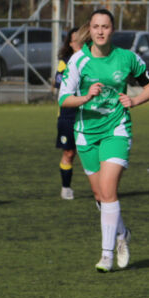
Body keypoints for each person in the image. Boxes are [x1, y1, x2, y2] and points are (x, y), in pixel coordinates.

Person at [58, 8, 149, 272]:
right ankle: (122, 234)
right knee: (100, 195)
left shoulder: (127, 58)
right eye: (96, 27)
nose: (100, 31)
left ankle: (106, 254)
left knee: (109, 190)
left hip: (117, 129)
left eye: (105, 26)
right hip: (86, 132)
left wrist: (134, 100)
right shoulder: (78, 60)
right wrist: (85, 97)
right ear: (89, 30)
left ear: (112, 30)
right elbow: (63, 99)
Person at [54, 26, 84, 200]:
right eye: (75, 40)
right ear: (70, 43)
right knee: (69, 152)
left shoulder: (92, 60)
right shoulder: (65, 62)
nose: (78, 43)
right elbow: (60, 85)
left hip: (88, 113)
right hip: (68, 115)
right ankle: (66, 187)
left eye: (81, 40)